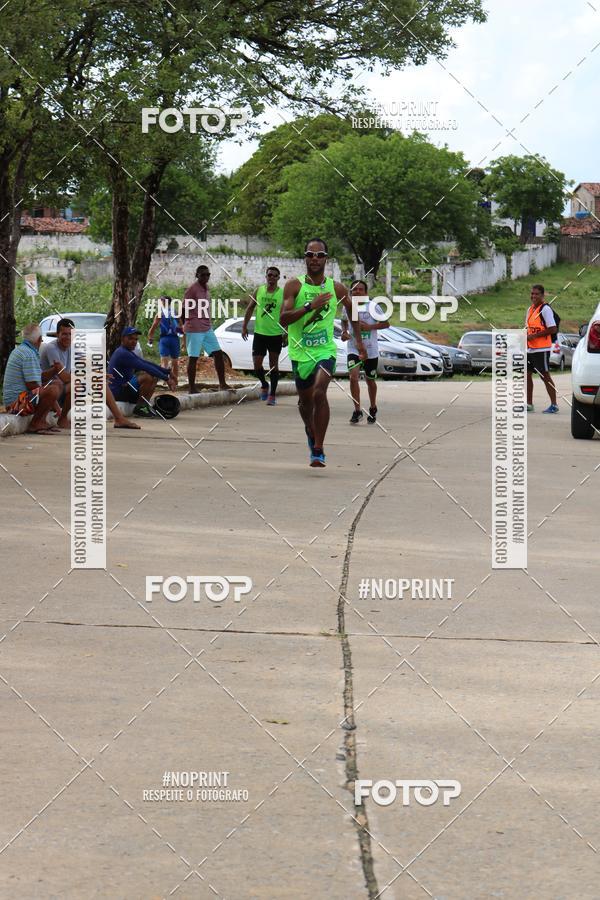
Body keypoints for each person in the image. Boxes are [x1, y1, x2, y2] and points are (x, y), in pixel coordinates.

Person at [280, 238, 366, 467]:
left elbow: (352, 310)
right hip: (300, 353)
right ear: (305, 258)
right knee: (305, 403)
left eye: (319, 255)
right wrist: (310, 306)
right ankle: (310, 429)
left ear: (326, 258)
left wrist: (358, 341)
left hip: (324, 351)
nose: (315, 259)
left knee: (320, 393)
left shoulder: (336, 288)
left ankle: (318, 448)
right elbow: (283, 319)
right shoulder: (294, 286)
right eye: (310, 254)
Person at [341, 280, 389, 425]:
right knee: (353, 377)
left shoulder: (373, 307)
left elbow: (386, 324)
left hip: (371, 350)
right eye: (354, 290)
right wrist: (344, 331)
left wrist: (369, 327)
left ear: (366, 293)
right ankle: (357, 411)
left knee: (370, 380)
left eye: (360, 290)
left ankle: (373, 407)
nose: (356, 292)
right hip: (353, 347)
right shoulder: (347, 306)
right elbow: (344, 321)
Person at [3, 323, 64, 434]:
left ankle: (41, 421)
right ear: (40, 339)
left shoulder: (25, 350)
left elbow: (38, 377)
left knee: (57, 384)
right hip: (15, 404)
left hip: (20, 400)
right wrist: (56, 406)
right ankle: (36, 423)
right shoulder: (28, 354)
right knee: (53, 389)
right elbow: (32, 385)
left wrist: (54, 370)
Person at [108, 326, 177, 417]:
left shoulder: (127, 352)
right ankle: (140, 407)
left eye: (136, 339)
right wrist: (167, 379)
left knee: (153, 376)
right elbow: (145, 367)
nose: (134, 342)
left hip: (125, 388)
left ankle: (144, 405)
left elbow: (145, 363)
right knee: (147, 377)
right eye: (130, 339)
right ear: (122, 339)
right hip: (117, 392)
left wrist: (167, 372)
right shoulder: (122, 353)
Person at [182, 265, 231, 393]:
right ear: (197, 275)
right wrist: (184, 326)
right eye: (202, 274)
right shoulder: (192, 290)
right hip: (194, 328)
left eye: (207, 274)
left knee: (218, 354)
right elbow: (183, 309)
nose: (205, 277)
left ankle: (222, 384)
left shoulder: (206, 288)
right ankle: (192, 388)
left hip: (207, 327)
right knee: (193, 357)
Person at [242, 266, 285, 405]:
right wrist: (244, 326)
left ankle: (272, 395)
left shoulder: (283, 294)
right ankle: (264, 384)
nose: (271, 277)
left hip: (275, 334)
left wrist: (285, 332)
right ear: (266, 276)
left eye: (274, 275)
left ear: (278, 278)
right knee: (256, 364)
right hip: (260, 334)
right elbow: (250, 308)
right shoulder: (259, 290)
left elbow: (287, 314)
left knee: (274, 365)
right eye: (269, 275)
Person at [526, 284, 558, 413]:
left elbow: (553, 328)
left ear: (542, 295)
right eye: (532, 293)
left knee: (545, 376)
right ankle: (529, 404)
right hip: (530, 349)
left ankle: (554, 404)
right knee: (527, 375)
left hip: (541, 349)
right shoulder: (530, 309)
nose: (533, 296)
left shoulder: (545, 309)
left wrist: (535, 336)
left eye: (536, 294)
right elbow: (529, 327)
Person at [147, 295, 182, 383]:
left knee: (164, 361)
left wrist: (150, 338)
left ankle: (165, 380)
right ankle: (175, 380)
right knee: (174, 361)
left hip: (165, 339)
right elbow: (181, 326)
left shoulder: (160, 313)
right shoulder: (175, 312)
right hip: (174, 338)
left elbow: (153, 327)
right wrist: (183, 339)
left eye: (161, 301)